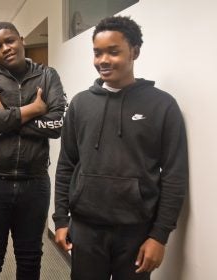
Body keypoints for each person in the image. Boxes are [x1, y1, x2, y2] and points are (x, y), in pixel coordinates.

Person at [53, 16, 188, 280]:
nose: (103, 60)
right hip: (86, 229)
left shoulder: (162, 106)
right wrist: (60, 219)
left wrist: (159, 236)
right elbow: (66, 165)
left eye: (113, 52)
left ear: (134, 52)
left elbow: (174, 175)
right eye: (97, 52)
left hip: (136, 233)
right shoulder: (80, 104)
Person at [0, 22, 67, 280]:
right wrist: (31, 111)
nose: (5, 48)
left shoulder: (47, 75)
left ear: (21, 39)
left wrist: (8, 119)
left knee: (30, 259)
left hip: (34, 184)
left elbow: (57, 124)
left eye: (9, 41)